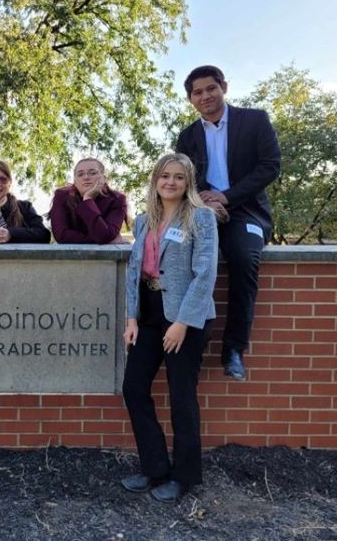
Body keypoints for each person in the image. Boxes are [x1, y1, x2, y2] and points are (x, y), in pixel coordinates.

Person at [121, 153, 218, 503]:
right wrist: (131, 319)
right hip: (148, 313)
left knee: (181, 397)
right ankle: (155, 468)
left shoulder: (201, 218)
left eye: (179, 177)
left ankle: (184, 477)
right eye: (165, 176)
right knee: (133, 388)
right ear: (155, 180)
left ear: (188, 182)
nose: (171, 182)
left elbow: (205, 273)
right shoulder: (145, 220)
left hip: (185, 318)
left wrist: (182, 323)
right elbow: (135, 270)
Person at [175, 65, 281, 381]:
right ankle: (187, 346)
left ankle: (233, 349)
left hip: (246, 212)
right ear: (191, 99)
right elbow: (185, 177)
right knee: (177, 256)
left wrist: (227, 197)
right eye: (198, 92)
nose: (205, 96)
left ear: (224, 87)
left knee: (245, 259)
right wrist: (207, 201)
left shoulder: (255, 120)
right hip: (202, 210)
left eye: (211, 88)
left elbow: (270, 166)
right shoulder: (188, 136)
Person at [49, 157, 128, 244]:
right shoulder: (62, 196)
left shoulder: (117, 199)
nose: (86, 177)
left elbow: (104, 236)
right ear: (75, 181)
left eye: (93, 173)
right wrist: (104, 240)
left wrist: (87, 199)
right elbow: (61, 235)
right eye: (80, 174)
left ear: (104, 178)